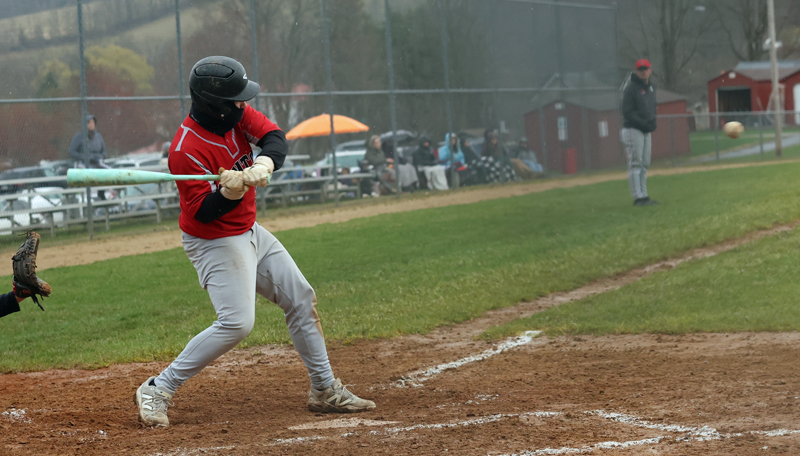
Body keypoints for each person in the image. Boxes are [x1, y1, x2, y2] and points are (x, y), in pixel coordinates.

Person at [134, 56, 375, 428]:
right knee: (237, 323)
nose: (243, 104)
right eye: (235, 99)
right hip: (214, 241)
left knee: (301, 297)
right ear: (215, 103)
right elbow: (202, 212)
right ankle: (157, 388)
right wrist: (228, 193)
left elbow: (275, 138)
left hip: (249, 230)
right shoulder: (185, 150)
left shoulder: (235, 115)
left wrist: (263, 165)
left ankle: (324, 389)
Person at [621, 58, 659, 206]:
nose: (643, 72)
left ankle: (644, 195)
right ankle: (638, 198)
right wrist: (644, 123)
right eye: (640, 70)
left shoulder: (651, 87)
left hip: (645, 130)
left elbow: (652, 107)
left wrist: (652, 121)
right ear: (636, 71)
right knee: (635, 164)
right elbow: (627, 111)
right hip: (633, 129)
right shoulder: (631, 88)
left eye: (645, 69)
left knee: (645, 163)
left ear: (650, 70)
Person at [69, 114, 110, 199]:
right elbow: (71, 151)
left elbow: (104, 152)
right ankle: (87, 198)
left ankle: (101, 194)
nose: (91, 125)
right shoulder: (79, 137)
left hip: (97, 163)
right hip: (83, 164)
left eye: (93, 122)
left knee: (109, 173)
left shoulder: (98, 136)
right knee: (92, 175)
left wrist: (99, 156)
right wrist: (83, 157)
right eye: (89, 123)